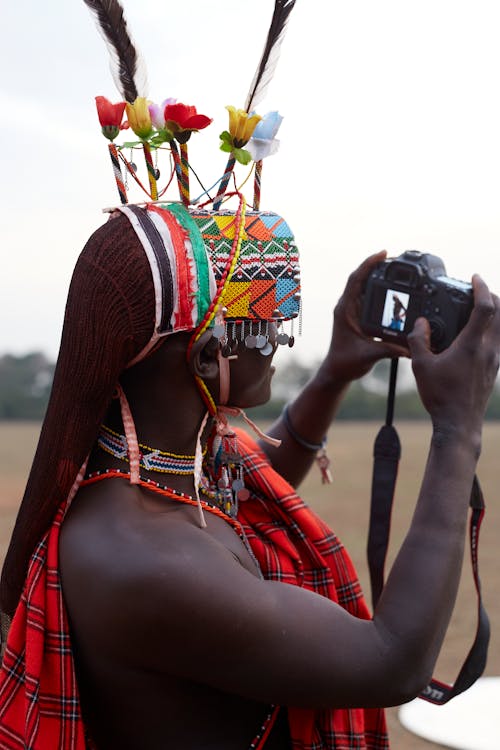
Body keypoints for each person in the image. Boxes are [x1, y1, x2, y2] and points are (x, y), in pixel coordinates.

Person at [0, 198, 499, 750]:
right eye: (273, 325)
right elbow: (392, 662)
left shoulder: (150, 473)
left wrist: (334, 372)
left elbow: (250, 488)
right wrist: (458, 429)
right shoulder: (145, 559)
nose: (284, 341)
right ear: (208, 359)